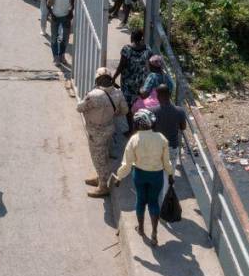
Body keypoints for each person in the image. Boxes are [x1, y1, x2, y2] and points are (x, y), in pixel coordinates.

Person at [114, 109, 174, 246]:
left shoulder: (134, 140)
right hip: (156, 176)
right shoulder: (161, 138)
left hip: (140, 174)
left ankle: (140, 228)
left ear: (137, 124)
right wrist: (170, 174)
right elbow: (166, 162)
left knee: (141, 200)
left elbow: (127, 163)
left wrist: (119, 177)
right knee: (153, 202)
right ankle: (154, 233)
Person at [76, 68, 128, 198]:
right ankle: (100, 177)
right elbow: (124, 111)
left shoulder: (94, 95)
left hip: (96, 131)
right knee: (103, 155)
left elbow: (79, 108)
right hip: (109, 128)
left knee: (98, 158)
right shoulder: (118, 93)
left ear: (97, 79)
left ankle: (103, 187)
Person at [151, 84, 186, 206]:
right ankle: (166, 203)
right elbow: (183, 127)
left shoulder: (153, 111)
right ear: (169, 95)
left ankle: (157, 202)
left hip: (157, 148)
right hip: (172, 148)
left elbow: (151, 129)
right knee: (169, 174)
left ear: (158, 95)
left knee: (157, 174)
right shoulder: (180, 111)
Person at [113, 28, 152, 135]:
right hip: (141, 83)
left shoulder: (127, 50)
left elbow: (121, 66)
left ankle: (131, 130)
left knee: (129, 107)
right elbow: (150, 63)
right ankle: (140, 127)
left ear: (132, 37)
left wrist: (113, 78)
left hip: (128, 84)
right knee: (139, 105)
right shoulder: (147, 49)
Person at [46, 0, 75, 64]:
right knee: (54, 38)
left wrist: (71, 10)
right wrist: (51, 13)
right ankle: (55, 57)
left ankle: (62, 55)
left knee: (65, 38)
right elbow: (48, 3)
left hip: (66, 16)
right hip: (55, 16)